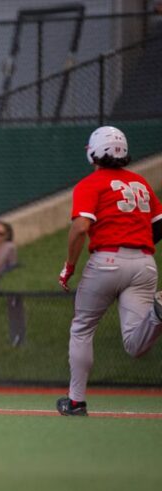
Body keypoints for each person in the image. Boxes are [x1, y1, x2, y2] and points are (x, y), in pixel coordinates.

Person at [57, 126, 162, 416]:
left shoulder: (91, 184)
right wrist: (136, 247)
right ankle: (157, 313)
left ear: (94, 152)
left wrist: (69, 267)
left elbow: (80, 228)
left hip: (107, 261)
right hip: (143, 263)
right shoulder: (141, 183)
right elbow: (159, 223)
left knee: (82, 328)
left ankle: (76, 402)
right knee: (135, 344)